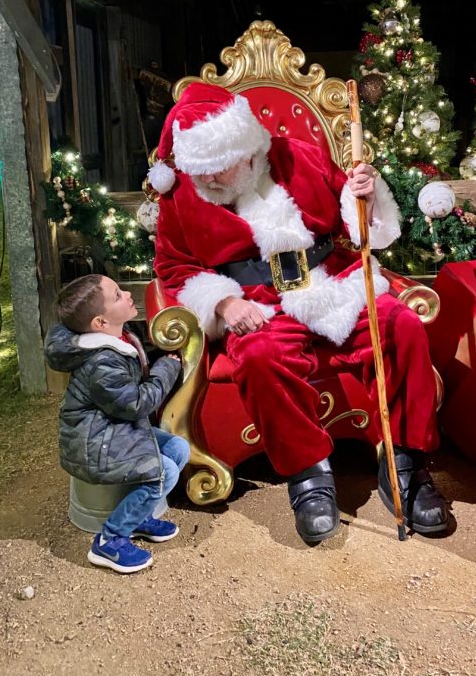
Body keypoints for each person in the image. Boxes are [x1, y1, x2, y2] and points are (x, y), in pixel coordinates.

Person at [150, 83, 448, 544]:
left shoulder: (299, 156)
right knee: (260, 357)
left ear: (245, 147)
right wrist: (224, 303)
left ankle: (404, 462)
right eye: (199, 170)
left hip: (335, 279)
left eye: (217, 168)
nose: (207, 180)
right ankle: (309, 476)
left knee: (402, 327)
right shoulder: (182, 193)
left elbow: (361, 224)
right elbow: (174, 267)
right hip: (257, 300)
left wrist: (362, 195)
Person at [44, 274, 189, 573]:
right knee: (166, 473)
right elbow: (136, 404)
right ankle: (109, 540)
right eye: (117, 295)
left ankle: (137, 515)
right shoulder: (101, 362)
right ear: (99, 323)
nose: (126, 294)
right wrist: (167, 367)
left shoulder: (118, 338)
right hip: (95, 442)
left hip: (112, 428)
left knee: (177, 447)